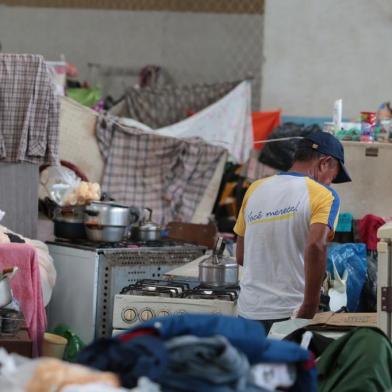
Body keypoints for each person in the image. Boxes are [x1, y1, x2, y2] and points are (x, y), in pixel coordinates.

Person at [234, 130, 351, 333]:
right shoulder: (325, 195)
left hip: (247, 310)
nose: (330, 182)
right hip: (289, 313)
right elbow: (316, 245)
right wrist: (310, 304)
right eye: (333, 175)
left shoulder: (255, 188)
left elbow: (241, 256)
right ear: (324, 162)